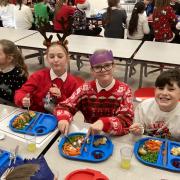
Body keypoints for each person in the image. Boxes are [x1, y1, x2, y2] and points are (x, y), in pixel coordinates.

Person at [54, 49, 134, 136]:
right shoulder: (85, 89)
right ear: (92, 71)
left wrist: (104, 123)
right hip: (89, 134)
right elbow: (65, 106)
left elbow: (126, 121)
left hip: (113, 136)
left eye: (107, 65)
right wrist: (63, 118)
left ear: (114, 66)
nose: (103, 70)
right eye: (97, 67)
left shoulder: (125, 90)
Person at [14, 37, 82, 113]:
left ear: (67, 58)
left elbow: (73, 108)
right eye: (52, 57)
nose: (56, 60)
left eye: (60, 56)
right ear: (47, 59)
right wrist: (22, 99)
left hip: (61, 118)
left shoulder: (73, 83)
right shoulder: (38, 76)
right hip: (37, 115)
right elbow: (20, 93)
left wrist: (61, 97)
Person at [129, 69, 180, 141]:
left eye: (171, 89)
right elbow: (137, 134)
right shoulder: (144, 107)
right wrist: (138, 130)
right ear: (155, 90)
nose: (164, 93)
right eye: (161, 88)